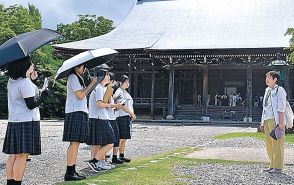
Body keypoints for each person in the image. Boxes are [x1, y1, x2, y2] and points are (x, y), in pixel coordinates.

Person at [2, 57, 45, 185]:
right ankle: (17, 182)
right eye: (31, 64)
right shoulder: (25, 82)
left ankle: (11, 182)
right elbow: (31, 104)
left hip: (14, 120)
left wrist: (32, 80)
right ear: (24, 66)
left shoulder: (12, 80)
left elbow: (25, 93)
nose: (33, 66)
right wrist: (43, 95)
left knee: (13, 155)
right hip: (27, 122)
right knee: (22, 155)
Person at [62, 64, 97, 181]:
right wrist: (92, 84)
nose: (85, 69)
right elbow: (81, 95)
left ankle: (72, 170)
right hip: (74, 111)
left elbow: (82, 93)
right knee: (74, 142)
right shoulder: (72, 77)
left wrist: (89, 84)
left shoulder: (78, 78)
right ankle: (69, 172)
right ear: (77, 66)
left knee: (76, 143)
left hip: (79, 111)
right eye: (84, 66)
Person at [87, 70, 122, 172]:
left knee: (97, 143)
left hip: (100, 117)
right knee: (111, 142)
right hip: (99, 118)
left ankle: (97, 163)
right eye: (106, 76)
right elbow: (99, 104)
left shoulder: (101, 88)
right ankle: (94, 161)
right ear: (101, 77)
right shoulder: (98, 88)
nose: (108, 78)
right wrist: (112, 105)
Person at [260, 71, 287, 174]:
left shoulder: (279, 90)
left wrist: (280, 122)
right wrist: (262, 122)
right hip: (267, 119)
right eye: (266, 77)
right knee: (269, 144)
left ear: (275, 79)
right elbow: (264, 108)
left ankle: (278, 167)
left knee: (277, 143)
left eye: (269, 77)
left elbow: (281, 107)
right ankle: (272, 164)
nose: (266, 79)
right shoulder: (267, 90)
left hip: (275, 120)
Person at [114, 75, 136, 163]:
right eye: (125, 82)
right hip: (121, 116)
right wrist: (132, 113)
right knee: (121, 138)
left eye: (128, 82)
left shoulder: (125, 92)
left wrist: (131, 114)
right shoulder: (119, 92)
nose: (127, 84)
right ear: (120, 83)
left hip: (126, 116)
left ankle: (122, 155)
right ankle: (115, 156)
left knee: (124, 137)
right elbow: (122, 105)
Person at [106, 72, 124, 164]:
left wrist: (117, 107)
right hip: (108, 118)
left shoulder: (110, 91)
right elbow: (106, 105)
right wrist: (116, 105)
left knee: (116, 138)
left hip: (112, 117)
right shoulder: (107, 91)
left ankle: (114, 157)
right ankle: (101, 157)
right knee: (109, 139)